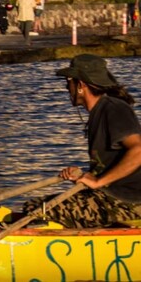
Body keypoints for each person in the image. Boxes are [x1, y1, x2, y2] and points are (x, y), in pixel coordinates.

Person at [24, 54, 141, 228]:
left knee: (39, 210)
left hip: (128, 202)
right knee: (35, 206)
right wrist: (84, 175)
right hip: (109, 196)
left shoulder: (113, 108)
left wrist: (98, 182)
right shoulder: (98, 112)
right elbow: (108, 164)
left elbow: (138, 150)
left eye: (68, 82)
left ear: (80, 85)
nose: (66, 87)